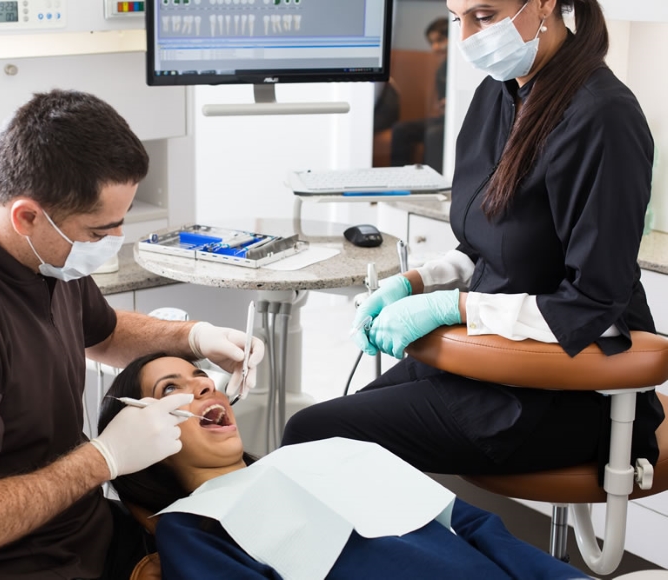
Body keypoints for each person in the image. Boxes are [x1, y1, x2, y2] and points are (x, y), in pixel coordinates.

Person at [0, 89, 265, 580]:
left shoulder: (40, 257)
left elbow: (106, 333)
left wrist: (195, 337)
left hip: (78, 535)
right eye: (99, 231)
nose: (113, 242)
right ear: (27, 215)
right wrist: (104, 458)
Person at [283, 0, 664, 481]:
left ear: (545, 3)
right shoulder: (498, 94)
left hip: (568, 389)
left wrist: (454, 308)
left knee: (316, 435)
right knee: (334, 433)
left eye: (483, 16)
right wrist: (417, 282)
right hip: (494, 360)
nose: (466, 38)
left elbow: (593, 303)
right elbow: (495, 244)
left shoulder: (603, 116)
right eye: (456, 17)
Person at [98, 353, 589, 579]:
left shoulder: (331, 451)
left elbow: (478, 526)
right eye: (171, 389)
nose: (205, 386)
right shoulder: (193, 525)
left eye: (201, 375)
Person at [389, 17, 448, 172]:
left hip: (455, 119)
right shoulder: (442, 67)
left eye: (440, 40)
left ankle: (429, 177)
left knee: (433, 134)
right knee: (401, 129)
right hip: (442, 118)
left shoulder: (463, 64)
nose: (435, 47)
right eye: (432, 43)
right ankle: (399, 174)